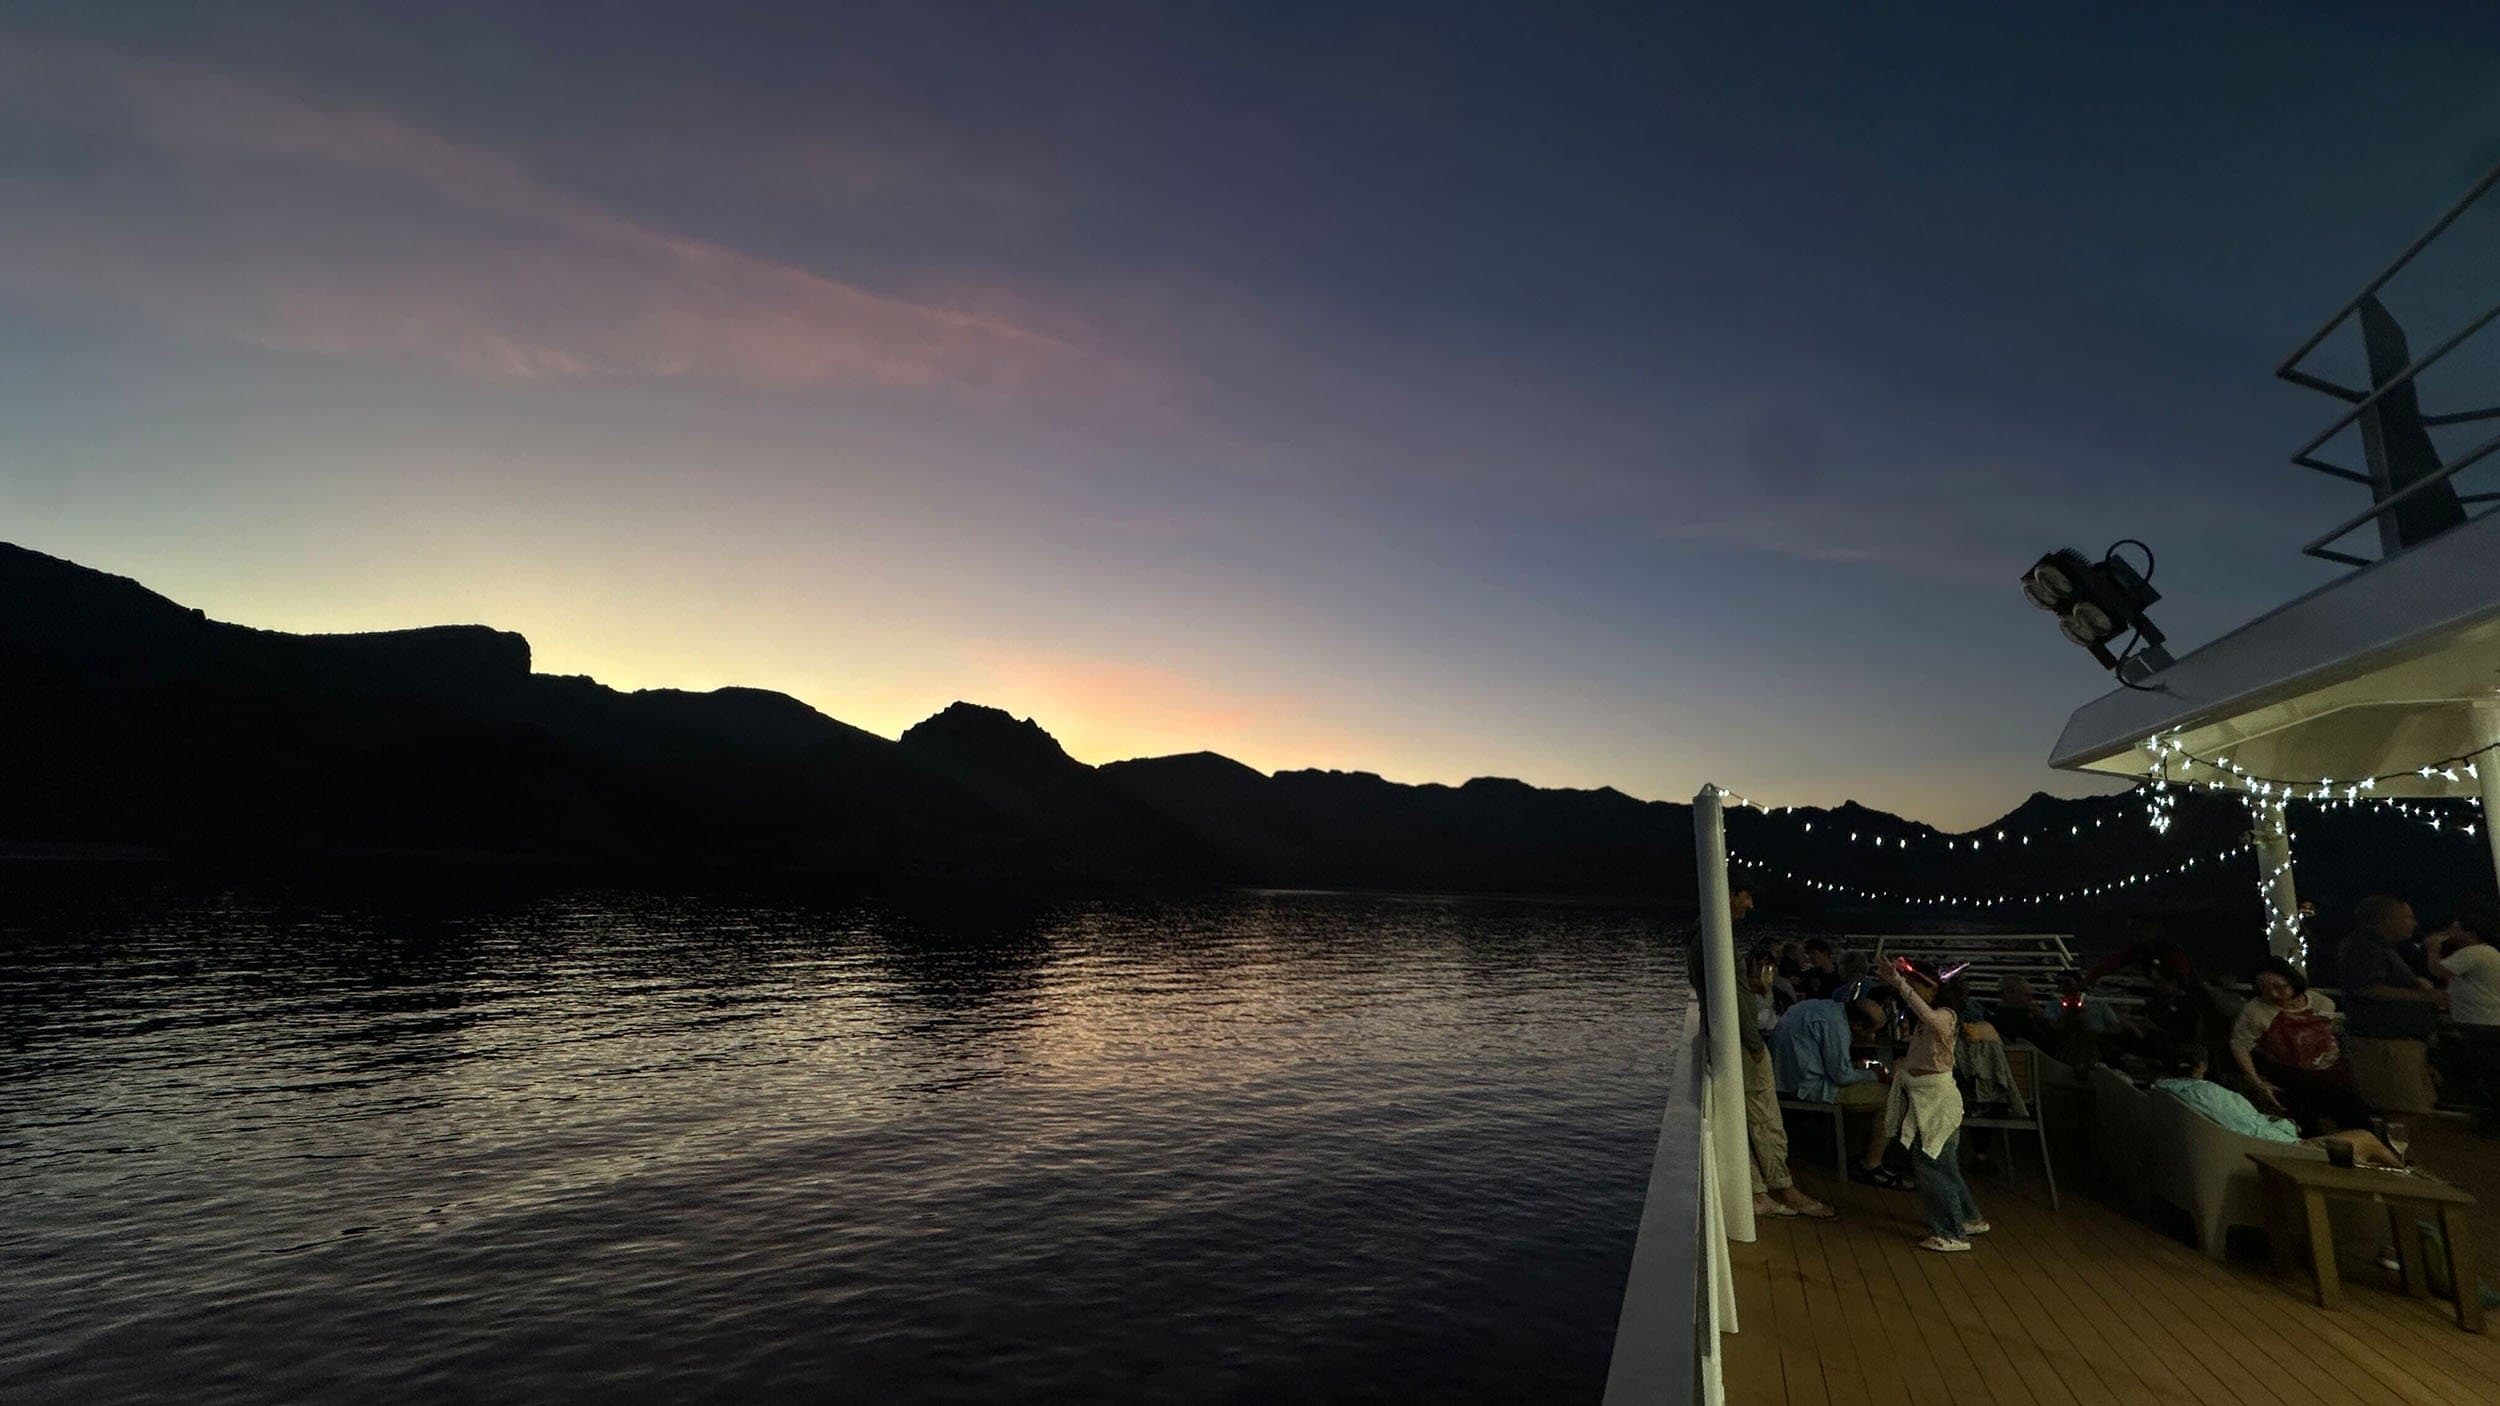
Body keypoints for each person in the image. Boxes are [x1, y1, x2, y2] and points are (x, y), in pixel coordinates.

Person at [1872, 959, 1985, 1252]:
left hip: (1937, 1101)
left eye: (1917, 986)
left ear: (1933, 990)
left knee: (1932, 1165)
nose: (1913, 990)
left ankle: (1951, 1232)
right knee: (1943, 1164)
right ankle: (1969, 1218)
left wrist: (1899, 984)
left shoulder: (1945, 1016)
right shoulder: (1927, 1019)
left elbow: (1931, 1019)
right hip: (1928, 1099)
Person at [2152, 1048, 2402, 1165]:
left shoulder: (2163, 1091)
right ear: (2200, 1067)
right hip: (2273, 1151)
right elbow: (2249, 1128)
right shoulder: (2207, 1093)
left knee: (2360, 1144)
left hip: (2247, 1147)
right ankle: (2407, 1176)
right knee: (2367, 1138)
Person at [1735, 944, 1835, 1220]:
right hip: (1752, 1047)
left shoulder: (1711, 945)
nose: (1750, 903)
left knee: (1752, 1120)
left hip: (1749, 1044)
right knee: (1766, 1119)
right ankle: (1783, 1188)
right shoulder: (1728, 955)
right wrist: (1756, 1046)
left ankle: (1760, 1191)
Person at [2228, 956, 2371, 1134]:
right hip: (2289, 1076)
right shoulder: (2256, 1011)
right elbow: (2240, 1045)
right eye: (2266, 989)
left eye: (2279, 987)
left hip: (2328, 1073)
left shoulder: (2322, 1003)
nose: (2274, 994)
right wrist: (2257, 1082)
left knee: (2353, 1113)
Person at [1772, 996, 1892, 1170]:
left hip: (1785, 1079)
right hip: (1808, 1088)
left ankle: (1852, 1152)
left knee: (1869, 1091)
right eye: (1872, 1031)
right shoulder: (1836, 1027)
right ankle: (1871, 1164)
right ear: (1857, 1025)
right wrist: (1872, 1075)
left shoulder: (1823, 1008)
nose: (1872, 1037)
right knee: (1891, 1098)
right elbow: (1841, 1076)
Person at [2427, 900, 2500, 1126]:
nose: (2450, 931)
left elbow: (2438, 970)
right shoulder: (2488, 952)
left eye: (2456, 927)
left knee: (2484, 1072)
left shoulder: (2472, 952)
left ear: (2470, 932)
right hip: (2489, 1019)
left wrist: (2432, 949)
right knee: (2490, 1072)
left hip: (2477, 1021)